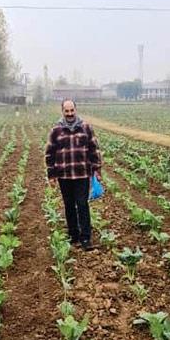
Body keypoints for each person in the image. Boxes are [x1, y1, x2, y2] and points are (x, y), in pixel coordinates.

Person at [45, 99, 103, 250]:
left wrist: (97, 169)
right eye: (67, 111)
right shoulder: (56, 131)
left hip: (82, 174)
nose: (70, 114)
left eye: (72, 110)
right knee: (69, 205)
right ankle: (73, 235)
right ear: (62, 111)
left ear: (76, 110)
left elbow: (94, 149)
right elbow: (50, 154)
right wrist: (51, 175)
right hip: (64, 176)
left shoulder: (86, 128)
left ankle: (86, 238)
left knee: (82, 204)